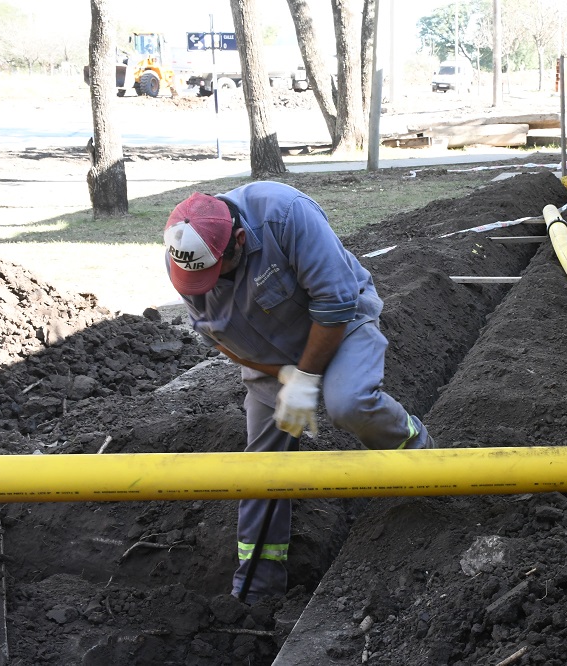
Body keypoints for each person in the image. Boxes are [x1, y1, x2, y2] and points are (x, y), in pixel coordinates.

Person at [163, 181, 435, 604]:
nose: (214, 283)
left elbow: (335, 302)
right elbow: (223, 342)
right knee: (263, 470)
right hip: (273, 355)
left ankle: (418, 450)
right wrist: (284, 375)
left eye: (222, 271)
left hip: (341, 325)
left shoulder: (285, 213)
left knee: (350, 405)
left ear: (237, 240)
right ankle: (257, 587)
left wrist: (307, 377)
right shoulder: (190, 264)